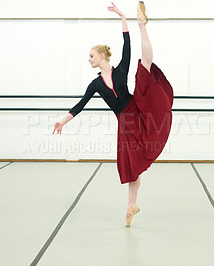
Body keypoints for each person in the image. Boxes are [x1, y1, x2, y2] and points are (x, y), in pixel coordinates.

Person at [53, 1, 173, 227]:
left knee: (145, 66)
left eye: (91, 56)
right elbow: (80, 105)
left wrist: (124, 18)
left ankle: (142, 25)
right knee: (132, 165)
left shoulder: (120, 71)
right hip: (125, 124)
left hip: (137, 110)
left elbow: (127, 45)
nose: (88, 59)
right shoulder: (95, 85)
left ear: (101, 56)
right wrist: (63, 121)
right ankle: (131, 206)